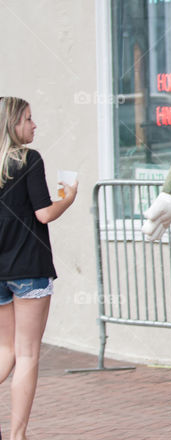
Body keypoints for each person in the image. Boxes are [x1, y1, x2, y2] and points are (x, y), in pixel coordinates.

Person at [0, 97, 77, 440]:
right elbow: (44, 213)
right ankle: (18, 435)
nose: (34, 125)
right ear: (12, 124)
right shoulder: (29, 160)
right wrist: (69, 197)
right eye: (28, 119)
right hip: (29, 267)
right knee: (28, 353)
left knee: (6, 350)